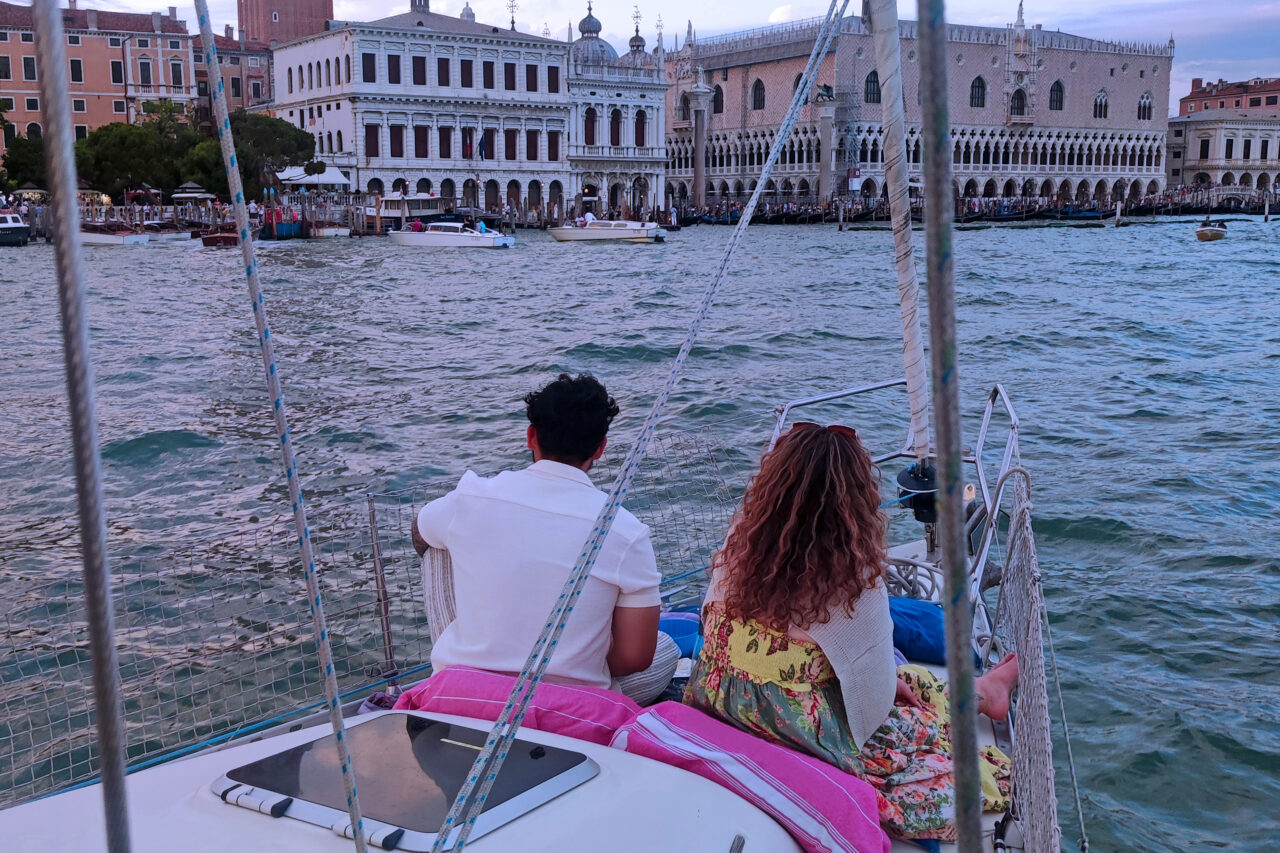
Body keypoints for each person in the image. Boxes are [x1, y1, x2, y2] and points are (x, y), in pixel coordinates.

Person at [685, 422, 1017, 843]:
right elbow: (875, 700)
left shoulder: (740, 543)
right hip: (796, 733)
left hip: (720, 702)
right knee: (912, 704)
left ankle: (986, 691)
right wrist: (884, 684)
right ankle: (985, 693)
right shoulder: (852, 576)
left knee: (904, 684)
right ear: (855, 499)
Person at [413, 374, 677, 703]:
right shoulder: (625, 530)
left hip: (467, 693)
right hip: (569, 705)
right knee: (667, 648)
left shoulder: (470, 497)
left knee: (435, 544)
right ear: (601, 447)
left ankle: (460, 657)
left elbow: (418, 530)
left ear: (531, 436)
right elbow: (635, 659)